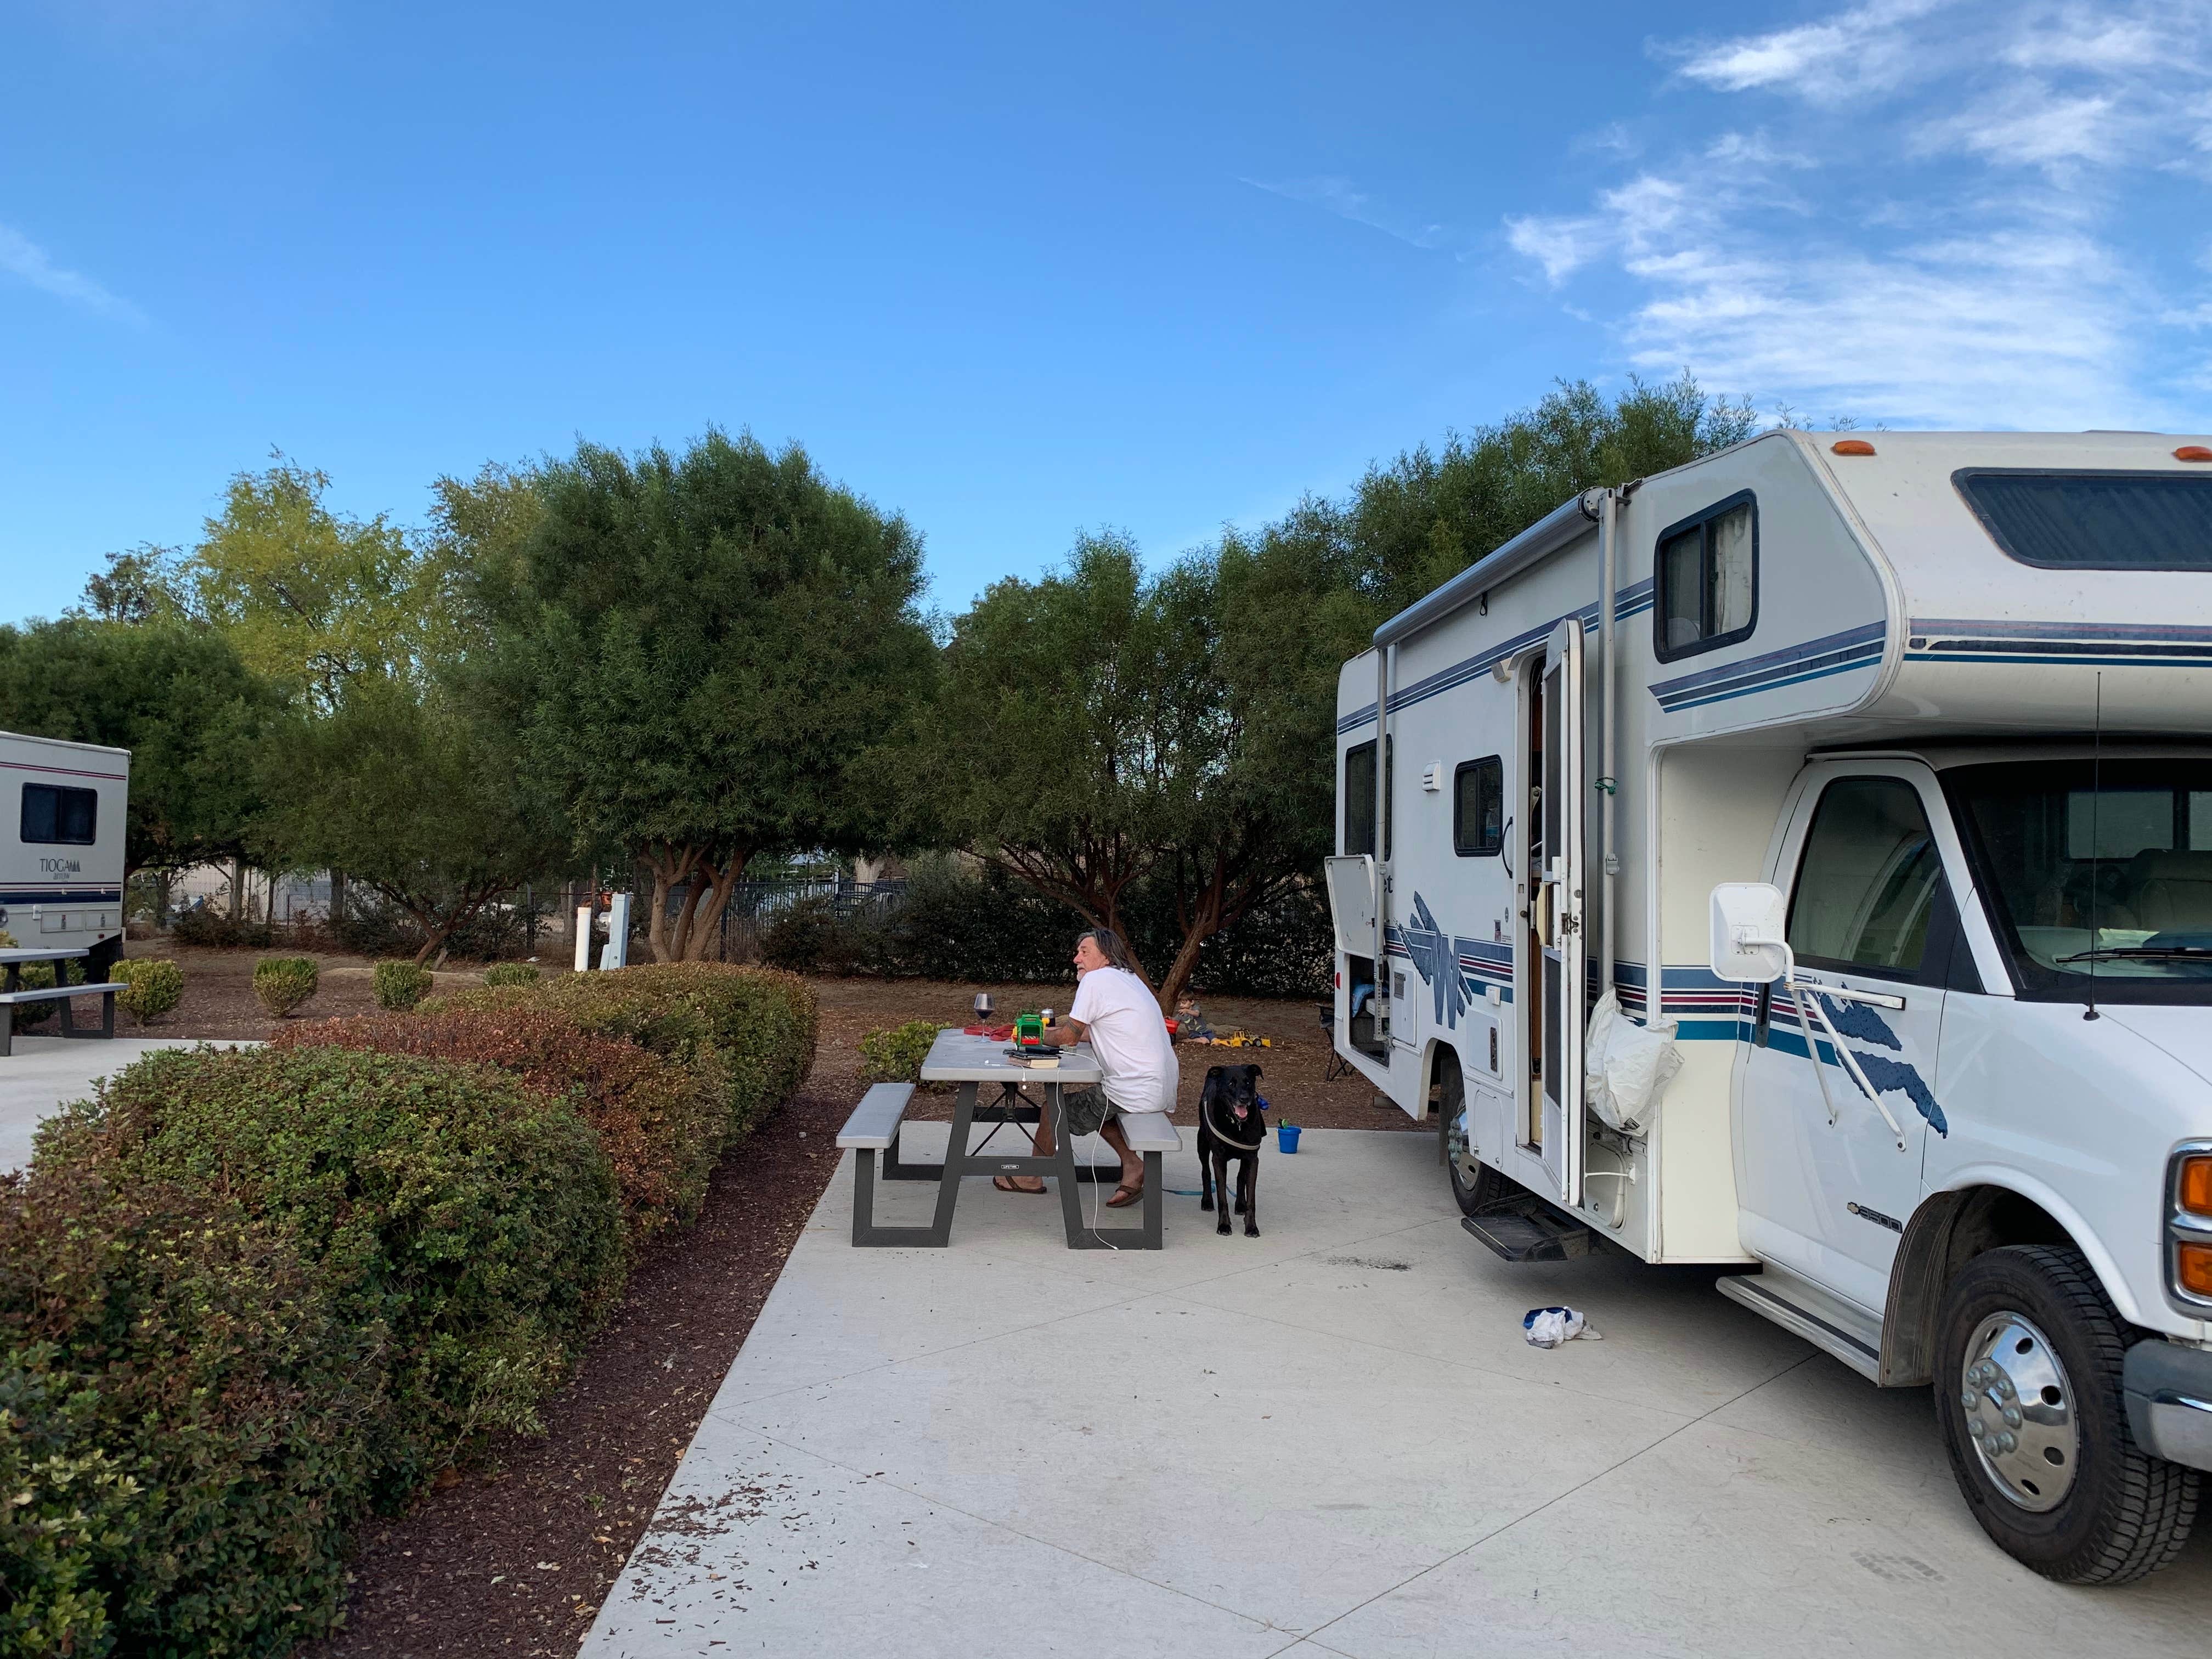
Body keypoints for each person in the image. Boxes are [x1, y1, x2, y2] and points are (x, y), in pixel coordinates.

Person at [994, 928, 1178, 1207]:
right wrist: (1049, 1032)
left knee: (1052, 1110)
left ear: (1106, 956)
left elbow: (1069, 1037)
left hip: (1135, 1089)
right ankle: (1133, 1164)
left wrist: (1032, 1036)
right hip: (1158, 1085)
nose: (1076, 959)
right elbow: (1093, 1032)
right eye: (1077, 952)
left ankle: (1031, 1177)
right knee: (1097, 1105)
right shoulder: (1129, 980)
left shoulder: (1096, 980)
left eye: (1084, 952)